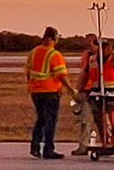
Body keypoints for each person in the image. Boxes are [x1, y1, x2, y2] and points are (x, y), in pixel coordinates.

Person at [26, 28, 79, 159]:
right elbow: (61, 75)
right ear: (52, 39)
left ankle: (35, 146)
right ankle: (48, 149)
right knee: (50, 121)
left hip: (36, 91)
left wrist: (31, 85)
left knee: (41, 119)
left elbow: (28, 72)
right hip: (50, 92)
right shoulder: (54, 54)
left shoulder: (34, 52)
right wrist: (71, 90)